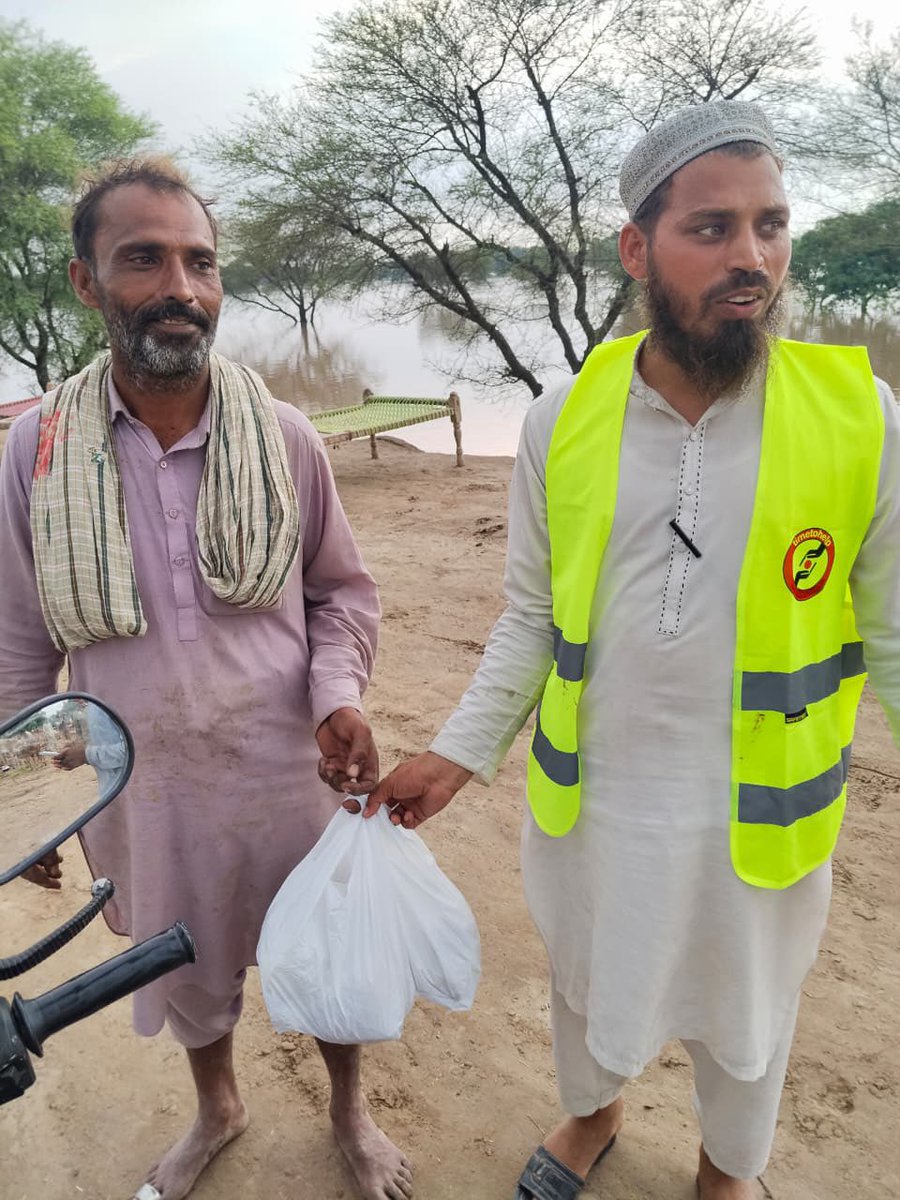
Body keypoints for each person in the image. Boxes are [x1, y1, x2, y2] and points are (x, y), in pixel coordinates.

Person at [362, 101, 900, 1199]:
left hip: (758, 808)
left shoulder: (865, 417)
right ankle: (595, 1114)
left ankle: (724, 1171)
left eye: (771, 225)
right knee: (590, 979)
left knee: (748, 1011)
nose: (751, 258)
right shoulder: (564, 416)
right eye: (711, 229)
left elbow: (892, 628)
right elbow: (528, 617)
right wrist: (455, 756)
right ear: (636, 248)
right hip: (597, 803)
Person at [0, 158, 413, 1200]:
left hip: (290, 773)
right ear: (87, 283)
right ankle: (218, 1107)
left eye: (201, 262)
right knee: (185, 972)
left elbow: (342, 594)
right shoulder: (34, 452)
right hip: (146, 793)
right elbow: (17, 642)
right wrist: (32, 803)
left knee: (323, 959)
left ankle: (349, 1115)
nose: (181, 286)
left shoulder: (283, 435)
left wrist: (341, 697)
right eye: (144, 258)